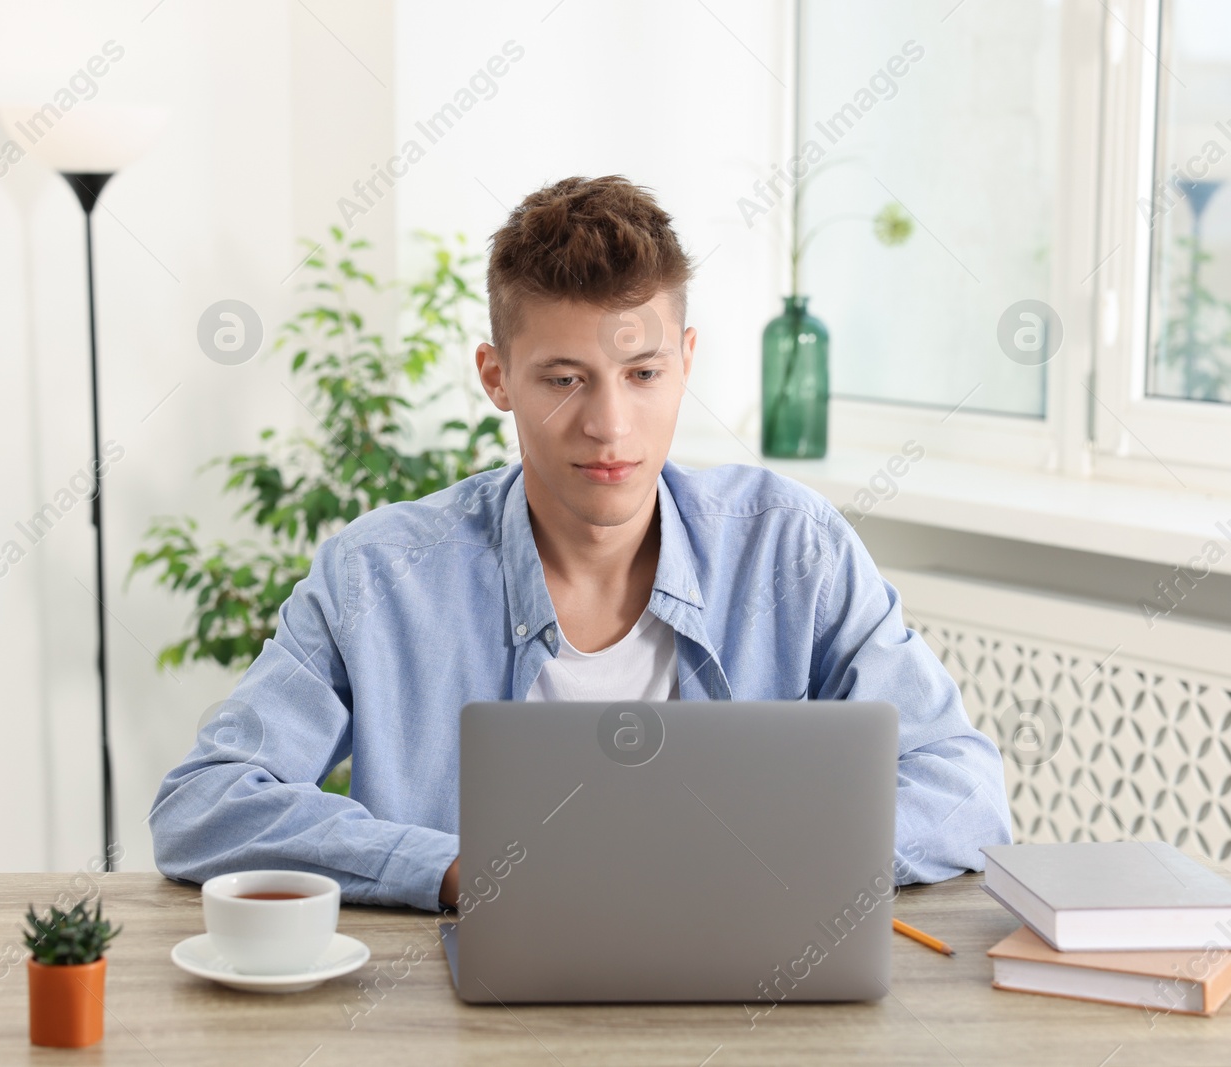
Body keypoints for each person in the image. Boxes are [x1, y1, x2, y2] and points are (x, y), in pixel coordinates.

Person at [149, 175, 1011, 913]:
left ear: (686, 359)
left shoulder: (793, 549)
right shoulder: (378, 574)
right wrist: (451, 869)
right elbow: (207, 802)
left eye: (643, 374)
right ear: (497, 378)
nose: (610, 425)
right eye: (564, 380)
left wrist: (766, 864)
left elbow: (963, 786)